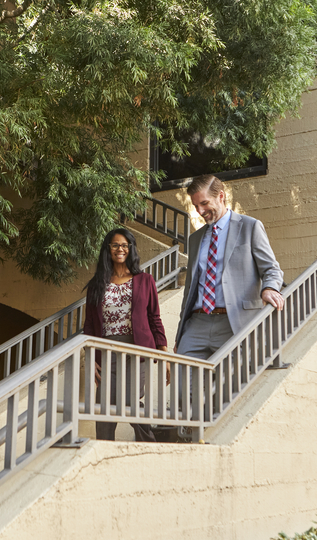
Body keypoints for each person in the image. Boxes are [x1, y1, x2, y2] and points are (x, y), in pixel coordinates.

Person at [175, 175, 284, 361]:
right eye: (195, 206)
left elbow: (271, 268)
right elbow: (190, 290)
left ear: (221, 196)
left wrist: (269, 288)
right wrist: (181, 333)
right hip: (197, 322)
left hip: (234, 320)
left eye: (204, 203)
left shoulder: (250, 227)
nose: (200, 211)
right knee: (182, 384)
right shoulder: (195, 239)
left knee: (233, 386)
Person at [83, 228, 168, 441]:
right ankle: (103, 446)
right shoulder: (97, 285)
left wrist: (164, 353)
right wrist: (91, 356)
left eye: (124, 245)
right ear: (108, 249)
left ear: (130, 249)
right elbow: (90, 325)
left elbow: (154, 318)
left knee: (130, 398)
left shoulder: (145, 280)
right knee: (104, 403)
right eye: (115, 245)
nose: (120, 249)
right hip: (107, 350)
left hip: (136, 349)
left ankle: (148, 443)